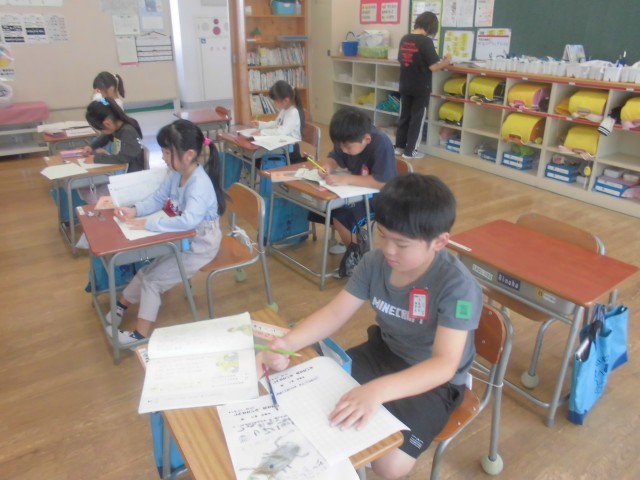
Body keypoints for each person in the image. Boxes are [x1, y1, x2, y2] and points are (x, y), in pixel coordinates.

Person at [261, 173, 482, 479]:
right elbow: (334, 313)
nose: (388, 249)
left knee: (389, 467)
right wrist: (287, 343)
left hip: (434, 381)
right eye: (383, 235)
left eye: (401, 244)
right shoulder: (375, 263)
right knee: (307, 394)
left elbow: (444, 364)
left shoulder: (458, 287)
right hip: (383, 352)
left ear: (440, 242)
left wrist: (377, 391)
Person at [105, 119, 226, 345]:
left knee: (153, 281)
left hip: (200, 246)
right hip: (184, 240)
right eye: (163, 151)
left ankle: (139, 335)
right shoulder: (177, 173)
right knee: (147, 271)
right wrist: (134, 210)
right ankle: (121, 305)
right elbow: (159, 198)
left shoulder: (198, 184)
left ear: (189, 155)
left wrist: (149, 224)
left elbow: (189, 221)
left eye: (167, 152)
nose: (163, 157)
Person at [312, 106, 396, 256]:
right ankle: (352, 243)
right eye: (340, 145)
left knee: (342, 215)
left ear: (367, 139)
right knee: (324, 207)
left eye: (348, 147)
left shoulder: (381, 143)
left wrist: (346, 179)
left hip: (381, 196)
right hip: (357, 191)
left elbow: (383, 181)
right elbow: (335, 156)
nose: (344, 150)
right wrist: (327, 166)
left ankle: (358, 256)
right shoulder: (347, 138)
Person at [395, 12, 452, 160]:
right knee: (417, 120)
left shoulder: (405, 38)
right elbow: (433, 67)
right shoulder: (426, 42)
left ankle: (399, 147)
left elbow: (401, 60)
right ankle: (410, 152)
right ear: (431, 27)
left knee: (404, 117)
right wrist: (446, 62)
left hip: (405, 84)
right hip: (421, 87)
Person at [82, 97, 145, 173]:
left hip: (131, 172)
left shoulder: (127, 131)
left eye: (101, 129)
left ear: (107, 123)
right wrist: (91, 147)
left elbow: (122, 158)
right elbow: (105, 137)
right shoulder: (117, 126)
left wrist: (96, 159)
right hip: (123, 167)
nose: (102, 132)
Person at [250, 80, 305, 163]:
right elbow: (276, 124)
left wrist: (262, 132)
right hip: (282, 145)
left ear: (286, 100)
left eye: (275, 101)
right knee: (254, 155)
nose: (274, 103)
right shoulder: (284, 110)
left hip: (290, 151)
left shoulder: (293, 112)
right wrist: (260, 125)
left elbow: (282, 131)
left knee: (256, 157)